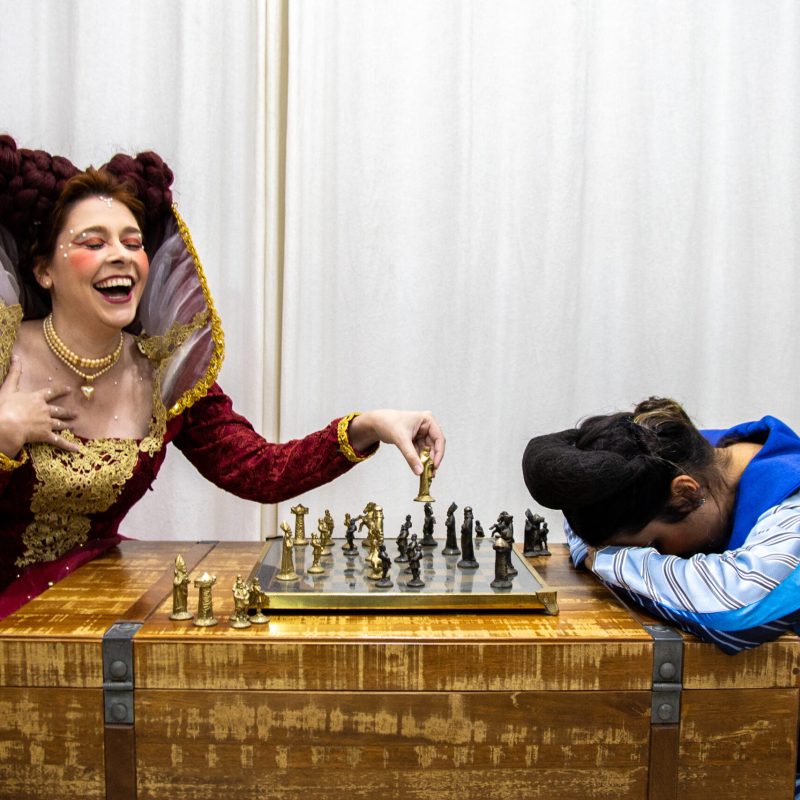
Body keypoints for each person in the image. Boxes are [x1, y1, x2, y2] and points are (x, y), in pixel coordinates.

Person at [0, 135, 445, 618]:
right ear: (43, 270)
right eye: (93, 243)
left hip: (92, 598)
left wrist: (369, 425)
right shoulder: (5, 354)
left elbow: (261, 471)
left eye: (133, 243)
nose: (122, 255)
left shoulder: (165, 376)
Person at [522, 396, 800, 655]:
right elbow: (585, 505)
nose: (651, 556)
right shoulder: (669, 457)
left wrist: (605, 561)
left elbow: (734, 610)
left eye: (652, 545)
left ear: (686, 494)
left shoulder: (793, 509)